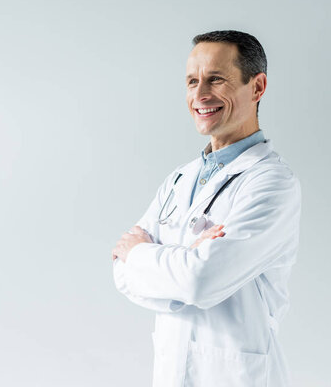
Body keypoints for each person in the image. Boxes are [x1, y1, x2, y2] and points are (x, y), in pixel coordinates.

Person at [111, 30, 301, 387]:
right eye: (192, 81)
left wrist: (145, 255)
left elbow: (201, 280)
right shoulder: (178, 180)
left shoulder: (272, 183)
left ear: (257, 87)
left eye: (216, 79)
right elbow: (121, 274)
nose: (199, 95)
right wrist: (185, 265)